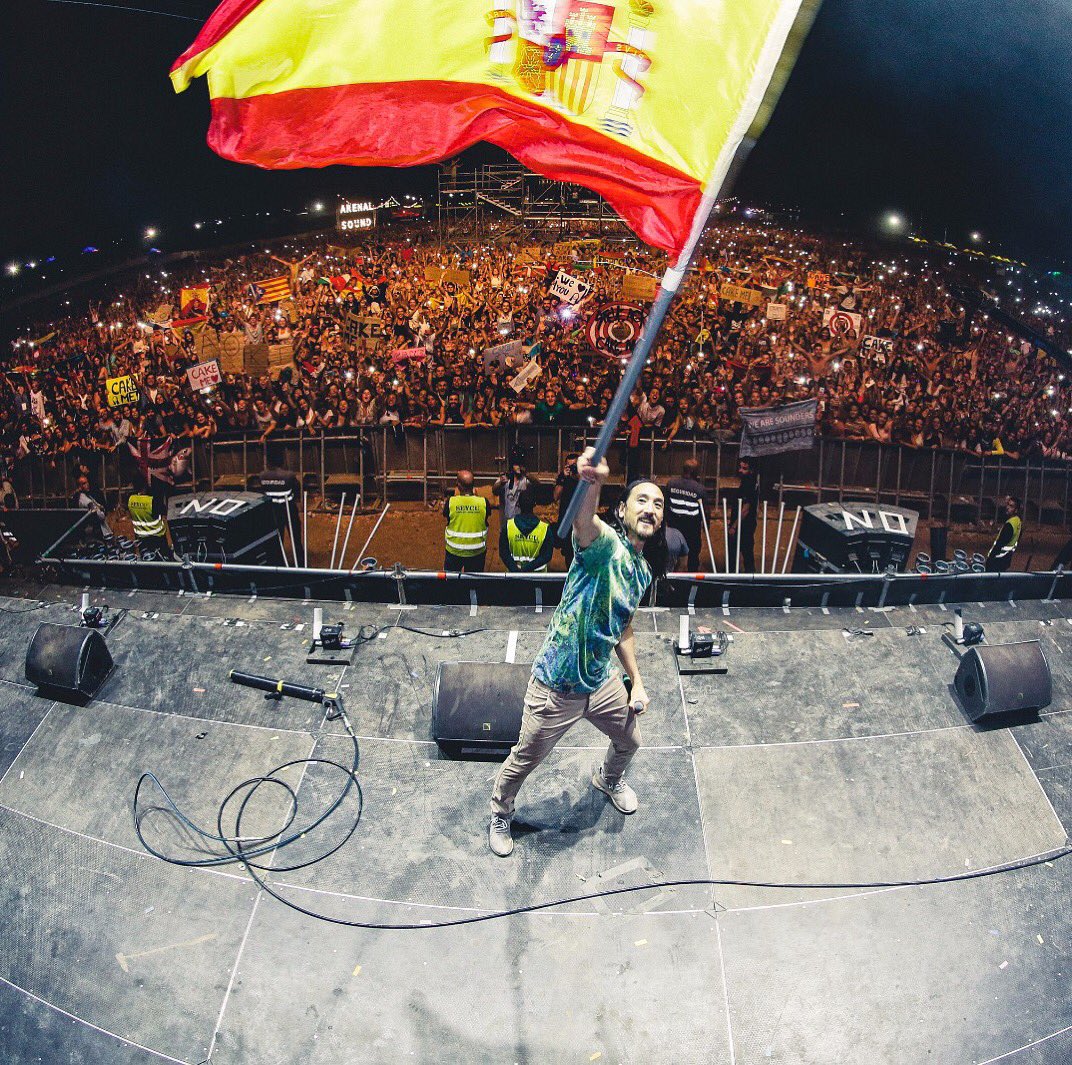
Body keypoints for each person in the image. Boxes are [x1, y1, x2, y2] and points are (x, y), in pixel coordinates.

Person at [489, 447, 667, 857]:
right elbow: (585, 523)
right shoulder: (605, 546)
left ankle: (607, 778)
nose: (651, 509)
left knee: (630, 741)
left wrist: (636, 682)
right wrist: (592, 482)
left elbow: (623, 626)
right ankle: (501, 811)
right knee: (525, 758)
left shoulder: (642, 571)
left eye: (658, 505)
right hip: (557, 685)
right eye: (642, 500)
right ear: (621, 512)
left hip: (599, 680)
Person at [258, 444, 304, 566]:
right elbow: (296, 490)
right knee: (295, 537)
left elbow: (262, 492)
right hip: (288, 508)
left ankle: (278, 563)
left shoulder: (262, 476)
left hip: (272, 510)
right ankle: (300, 563)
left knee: (276, 538)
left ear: (268, 461)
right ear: (282, 460)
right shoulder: (289, 475)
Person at [443, 469, 489, 572]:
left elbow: (446, 516)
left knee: (451, 581)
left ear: (458, 485)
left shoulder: (451, 502)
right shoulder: (484, 503)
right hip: (477, 552)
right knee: (474, 582)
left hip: (454, 551)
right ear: (473, 485)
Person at [499, 484, 554, 572]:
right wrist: (527, 569)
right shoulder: (545, 529)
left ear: (518, 504)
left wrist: (516, 570)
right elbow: (547, 556)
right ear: (534, 504)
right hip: (537, 579)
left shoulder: (508, 526)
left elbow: (503, 552)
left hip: (514, 577)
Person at [665, 457, 707, 570]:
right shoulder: (700, 489)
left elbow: (666, 505)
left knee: (674, 552)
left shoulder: (671, 484)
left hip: (675, 524)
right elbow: (704, 511)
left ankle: (672, 575)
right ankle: (692, 576)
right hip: (692, 527)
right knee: (694, 552)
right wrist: (706, 524)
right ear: (695, 472)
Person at [727, 457, 759, 573]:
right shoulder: (749, 481)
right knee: (747, 550)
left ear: (751, 470)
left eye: (744, 468)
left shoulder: (749, 484)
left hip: (744, 525)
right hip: (746, 524)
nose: (740, 471)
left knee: (737, 550)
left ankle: (735, 575)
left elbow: (745, 509)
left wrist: (734, 526)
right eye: (740, 467)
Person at [986, 495, 1022, 572]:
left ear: (1016, 510)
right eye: (1008, 504)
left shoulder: (1010, 525)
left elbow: (1000, 543)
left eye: (1011, 506)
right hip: (1006, 559)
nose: (1007, 507)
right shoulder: (1018, 522)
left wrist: (990, 558)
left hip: (997, 560)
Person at [72, 475, 112, 540]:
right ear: (79, 486)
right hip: (95, 530)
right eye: (84, 483)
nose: (87, 485)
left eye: (87, 482)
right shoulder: (83, 499)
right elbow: (100, 515)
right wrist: (101, 511)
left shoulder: (88, 496)